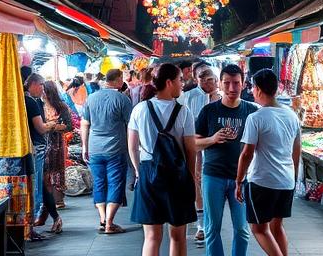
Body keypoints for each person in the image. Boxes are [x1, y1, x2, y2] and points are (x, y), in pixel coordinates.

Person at [128, 62, 197, 256]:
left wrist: (138, 170)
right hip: (177, 175)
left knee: (151, 237)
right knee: (178, 235)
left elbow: (132, 147)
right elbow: (190, 150)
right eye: (180, 80)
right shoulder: (184, 112)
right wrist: (191, 176)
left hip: (148, 172)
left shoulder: (140, 110)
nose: (182, 84)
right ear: (169, 82)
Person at [235, 68, 301, 256]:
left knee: (259, 229)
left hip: (262, 181)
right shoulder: (291, 115)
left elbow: (247, 154)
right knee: (277, 226)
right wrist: (293, 177)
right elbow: (296, 151)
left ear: (257, 89)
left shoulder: (256, 117)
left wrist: (238, 181)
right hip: (286, 180)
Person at [195, 64, 258, 256]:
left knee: (242, 229)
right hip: (213, 175)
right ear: (219, 84)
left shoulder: (252, 111)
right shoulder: (209, 111)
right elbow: (194, 143)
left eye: (236, 83)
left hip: (242, 177)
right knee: (212, 228)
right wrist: (212, 139)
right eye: (227, 83)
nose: (232, 88)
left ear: (244, 84)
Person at [82, 68, 133, 234]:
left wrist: (85, 146)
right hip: (116, 148)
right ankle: (110, 222)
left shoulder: (91, 98)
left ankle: (103, 219)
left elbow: (85, 123)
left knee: (99, 183)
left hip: (95, 147)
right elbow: (130, 125)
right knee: (115, 183)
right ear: (118, 80)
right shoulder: (122, 99)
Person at [180, 65, 220, 244]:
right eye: (204, 80)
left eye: (211, 79)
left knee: (213, 184)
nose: (208, 83)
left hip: (219, 150)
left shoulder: (223, 99)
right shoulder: (189, 97)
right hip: (196, 147)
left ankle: (211, 223)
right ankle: (202, 225)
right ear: (198, 80)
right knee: (198, 182)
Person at [41, 80, 74, 220]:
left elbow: (69, 126)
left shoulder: (61, 107)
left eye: (44, 91)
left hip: (57, 143)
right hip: (43, 143)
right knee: (45, 171)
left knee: (57, 170)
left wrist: (53, 126)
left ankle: (58, 199)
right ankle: (48, 200)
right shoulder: (39, 106)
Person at [24, 73, 52, 241]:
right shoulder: (32, 103)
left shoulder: (22, 101)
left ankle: (29, 228)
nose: (42, 89)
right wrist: (51, 125)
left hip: (28, 149)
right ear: (33, 83)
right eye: (41, 85)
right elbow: (40, 128)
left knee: (34, 186)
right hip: (36, 148)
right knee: (35, 188)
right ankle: (30, 229)